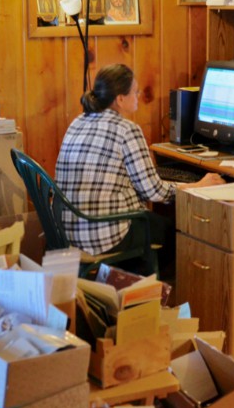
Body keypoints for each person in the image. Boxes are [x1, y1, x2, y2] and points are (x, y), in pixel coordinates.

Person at [55, 64, 223, 263]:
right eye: (135, 92)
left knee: (152, 221)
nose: (139, 95)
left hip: (66, 232)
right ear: (120, 99)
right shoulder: (127, 130)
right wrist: (197, 186)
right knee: (175, 231)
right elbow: (154, 192)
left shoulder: (78, 121)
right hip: (101, 235)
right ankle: (154, 288)